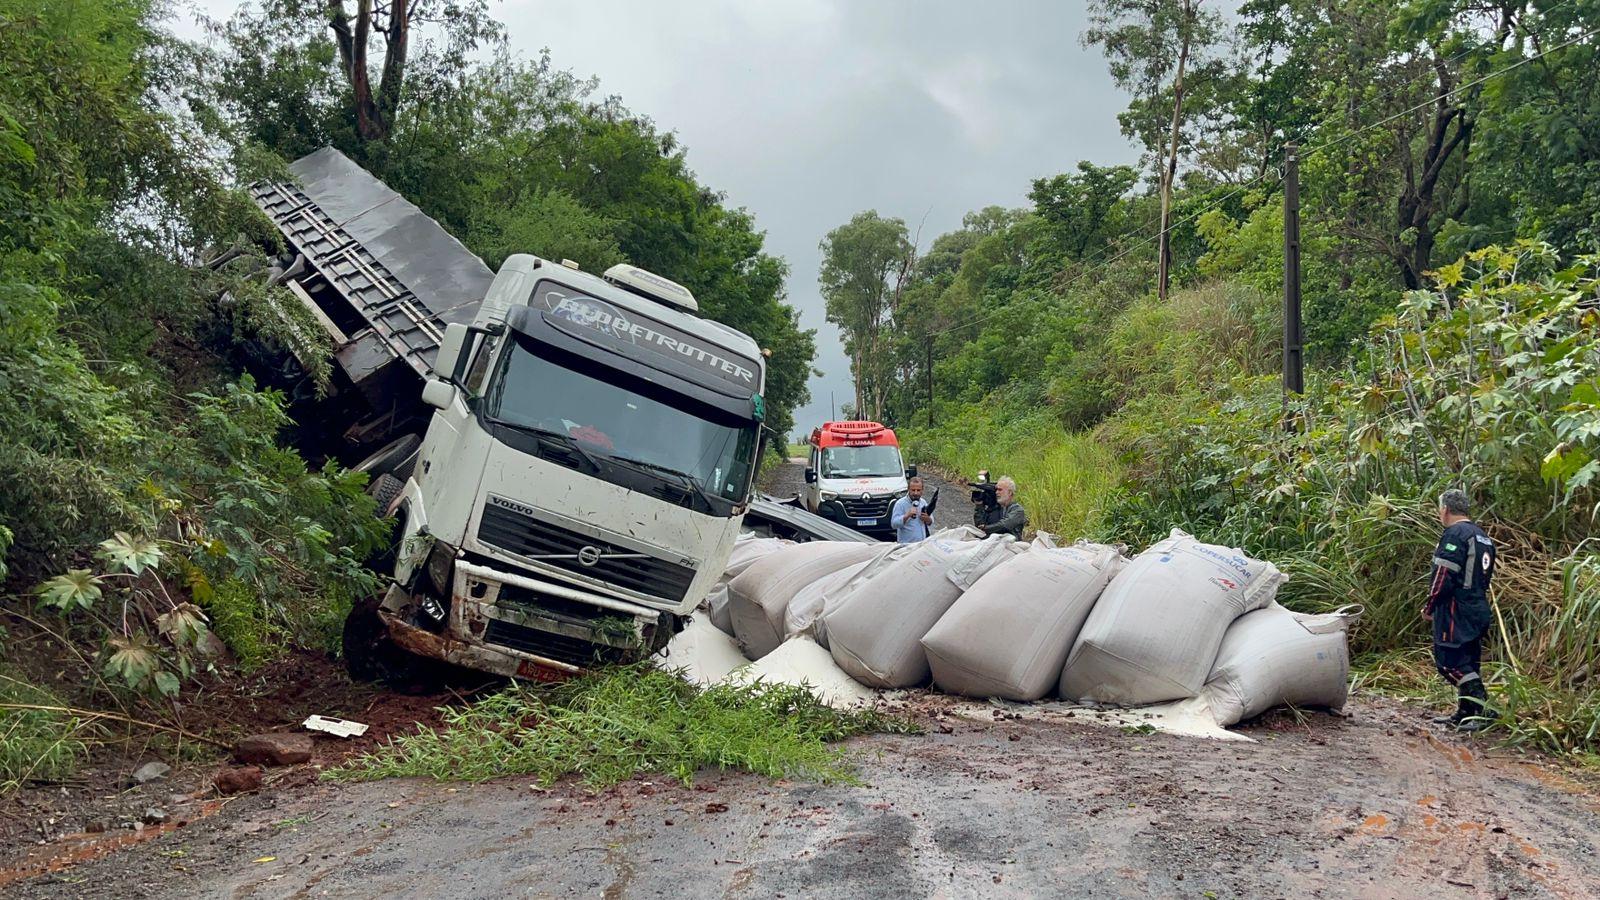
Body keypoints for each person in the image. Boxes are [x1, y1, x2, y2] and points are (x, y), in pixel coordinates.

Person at [1422, 489, 1497, 732]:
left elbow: (1444, 574)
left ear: (1445, 510)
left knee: (1449, 662)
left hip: (1456, 608)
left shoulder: (1455, 534)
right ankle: (1466, 712)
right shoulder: (1483, 536)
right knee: (1469, 661)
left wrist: (1430, 604)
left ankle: (1483, 708)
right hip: (1478, 606)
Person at [890, 476, 934, 543]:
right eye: (913, 490)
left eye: (918, 490)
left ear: (922, 490)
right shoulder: (900, 504)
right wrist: (907, 516)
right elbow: (894, 524)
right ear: (908, 489)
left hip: (921, 545)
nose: (916, 493)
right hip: (905, 547)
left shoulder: (923, 502)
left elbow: (931, 522)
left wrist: (928, 519)